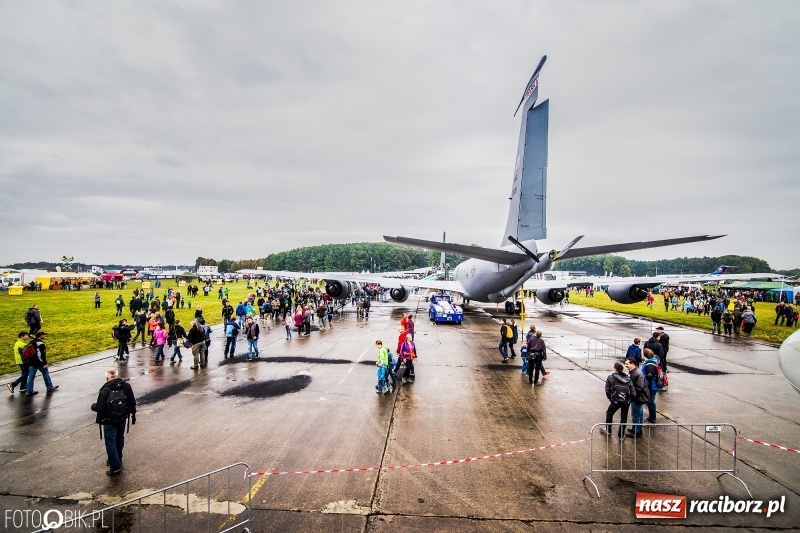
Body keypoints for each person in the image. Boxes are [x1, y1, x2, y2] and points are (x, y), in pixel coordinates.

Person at [91, 368, 136, 475]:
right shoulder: (126, 386)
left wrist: (93, 406)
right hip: (122, 416)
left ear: (107, 378)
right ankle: (118, 459)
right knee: (119, 437)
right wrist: (133, 413)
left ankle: (115, 466)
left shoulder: (105, 390)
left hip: (109, 419)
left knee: (110, 442)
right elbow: (132, 401)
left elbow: (100, 407)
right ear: (116, 376)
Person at [600, 361, 634, 437]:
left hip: (615, 400)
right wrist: (629, 399)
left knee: (609, 413)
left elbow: (607, 390)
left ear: (614, 368)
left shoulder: (611, 377)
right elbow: (633, 392)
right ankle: (621, 435)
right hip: (626, 401)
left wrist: (611, 398)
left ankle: (608, 430)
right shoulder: (628, 379)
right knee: (624, 416)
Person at [26, 331, 59, 396]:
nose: (45, 336)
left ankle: (29, 391)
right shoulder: (40, 344)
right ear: (40, 336)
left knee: (31, 377)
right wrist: (44, 363)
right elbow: (41, 354)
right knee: (45, 373)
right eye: (44, 335)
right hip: (39, 362)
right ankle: (49, 387)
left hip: (31, 362)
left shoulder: (31, 342)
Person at [624, 358, 650, 438]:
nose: (626, 365)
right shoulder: (634, 372)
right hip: (638, 397)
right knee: (639, 414)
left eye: (627, 364)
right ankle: (636, 429)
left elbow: (639, 387)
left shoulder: (637, 373)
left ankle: (636, 432)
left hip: (637, 398)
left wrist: (632, 393)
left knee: (636, 415)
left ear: (632, 364)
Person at [642, 349, 662, 424]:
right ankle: (651, 417)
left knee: (651, 403)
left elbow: (649, 376)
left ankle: (652, 420)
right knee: (650, 403)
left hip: (651, 387)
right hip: (652, 386)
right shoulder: (653, 361)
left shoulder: (649, 364)